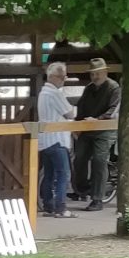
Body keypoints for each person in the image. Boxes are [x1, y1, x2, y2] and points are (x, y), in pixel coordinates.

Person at [72, 58, 120, 205]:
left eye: (98, 73)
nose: (95, 77)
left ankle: (97, 198)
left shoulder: (114, 88)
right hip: (88, 128)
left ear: (105, 72)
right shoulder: (89, 88)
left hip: (106, 129)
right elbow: (81, 107)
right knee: (79, 157)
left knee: (99, 161)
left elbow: (113, 110)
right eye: (92, 74)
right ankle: (83, 188)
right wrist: (77, 124)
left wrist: (97, 119)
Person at [35, 61, 74, 216]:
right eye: (61, 77)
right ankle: (60, 208)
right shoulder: (55, 93)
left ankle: (48, 205)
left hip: (45, 141)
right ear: (52, 77)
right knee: (63, 174)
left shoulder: (43, 93)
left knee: (49, 175)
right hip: (57, 140)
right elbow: (69, 113)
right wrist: (74, 110)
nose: (63, 80)